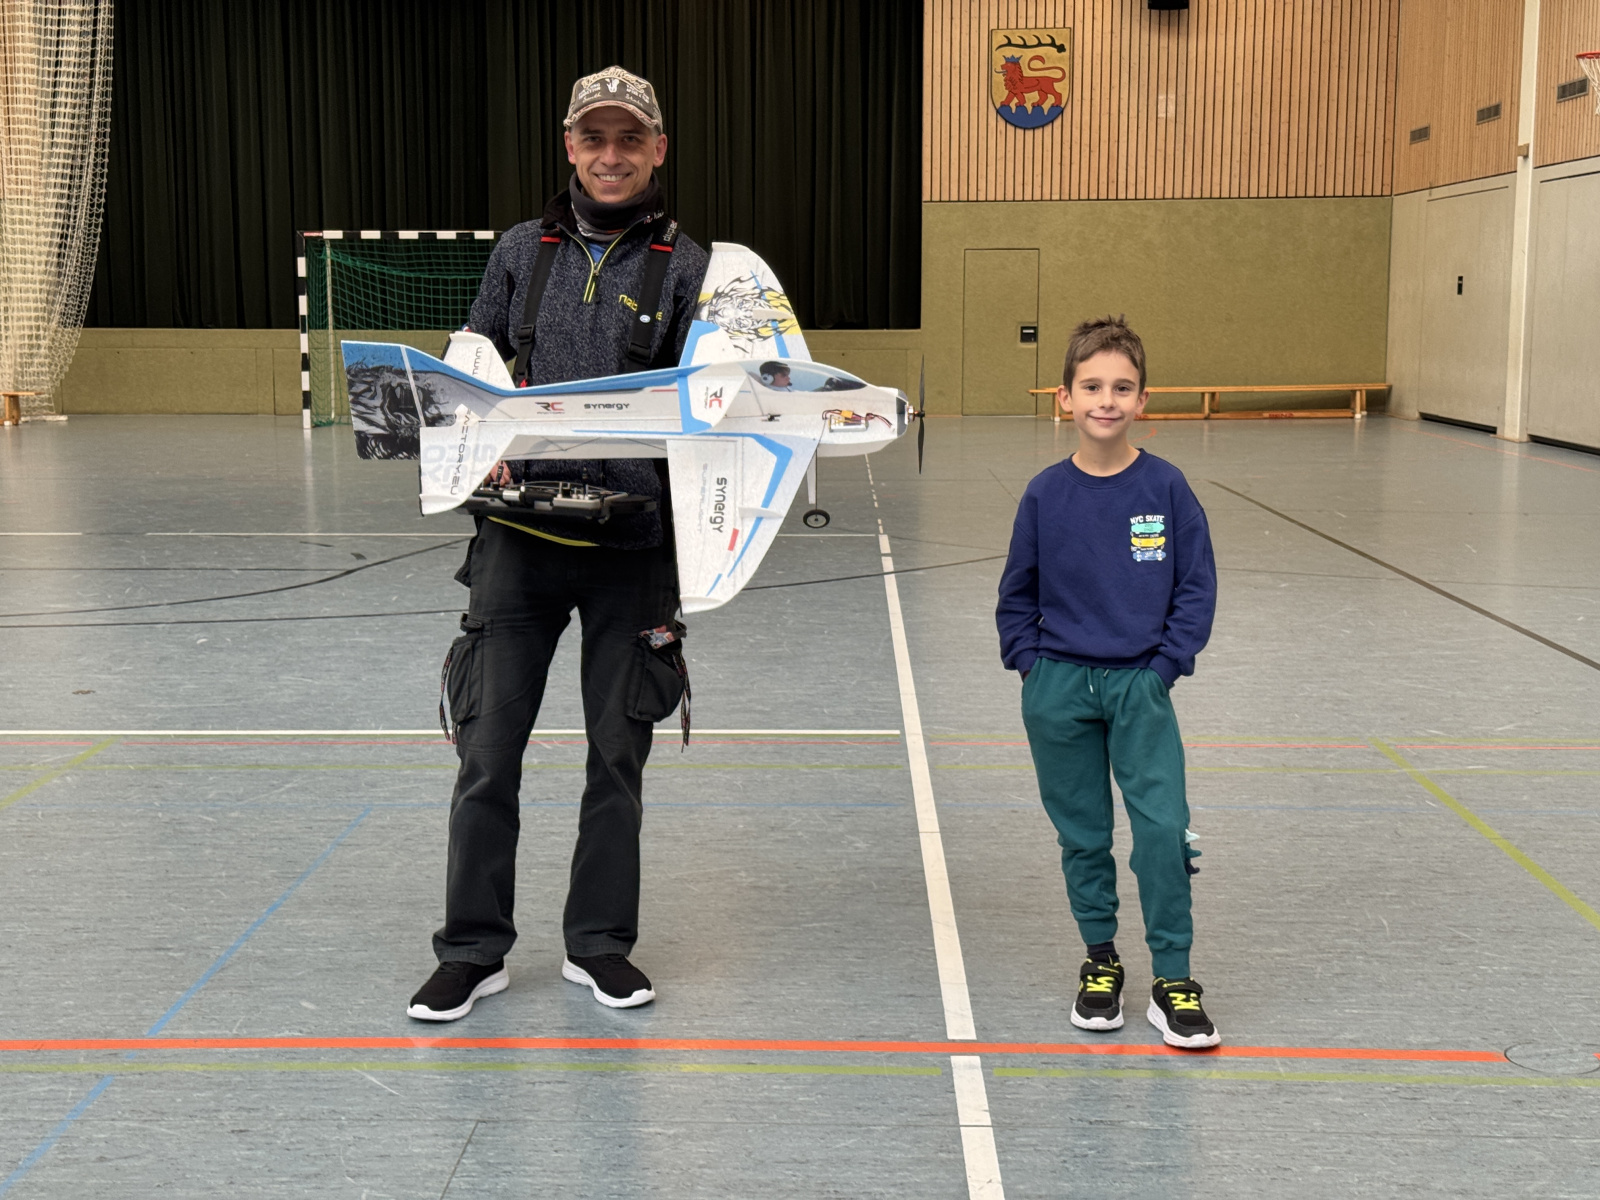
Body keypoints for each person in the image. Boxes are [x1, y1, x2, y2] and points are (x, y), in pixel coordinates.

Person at [407, 66, 710, 1021]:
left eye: (630, 138)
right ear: (570, 146)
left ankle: (599, 946)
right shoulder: (516, 252)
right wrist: (474, 447)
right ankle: (472, 950)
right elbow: (467, 375)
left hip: (635, 547)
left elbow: (719, 406)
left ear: (658, 149)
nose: (611, 155)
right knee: (487, 754)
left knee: (617, 759)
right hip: (517, 539)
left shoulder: (695, 268)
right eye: (595, 137)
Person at [995, 315, 1220, 1049]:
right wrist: (1031, 666)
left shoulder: (1166, 487)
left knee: (1161, 831)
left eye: (1122, 388)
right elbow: (1016, 593)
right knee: (1084, 835)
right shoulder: (1044, 494)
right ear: (1065, 397)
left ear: (1142, 400)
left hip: (1139, 688)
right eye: (1092, 386)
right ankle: (1100, 961)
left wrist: (1164, 666)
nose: (1107, 400)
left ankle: (1173, 978)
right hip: (1058, 689)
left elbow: (1196, 586)